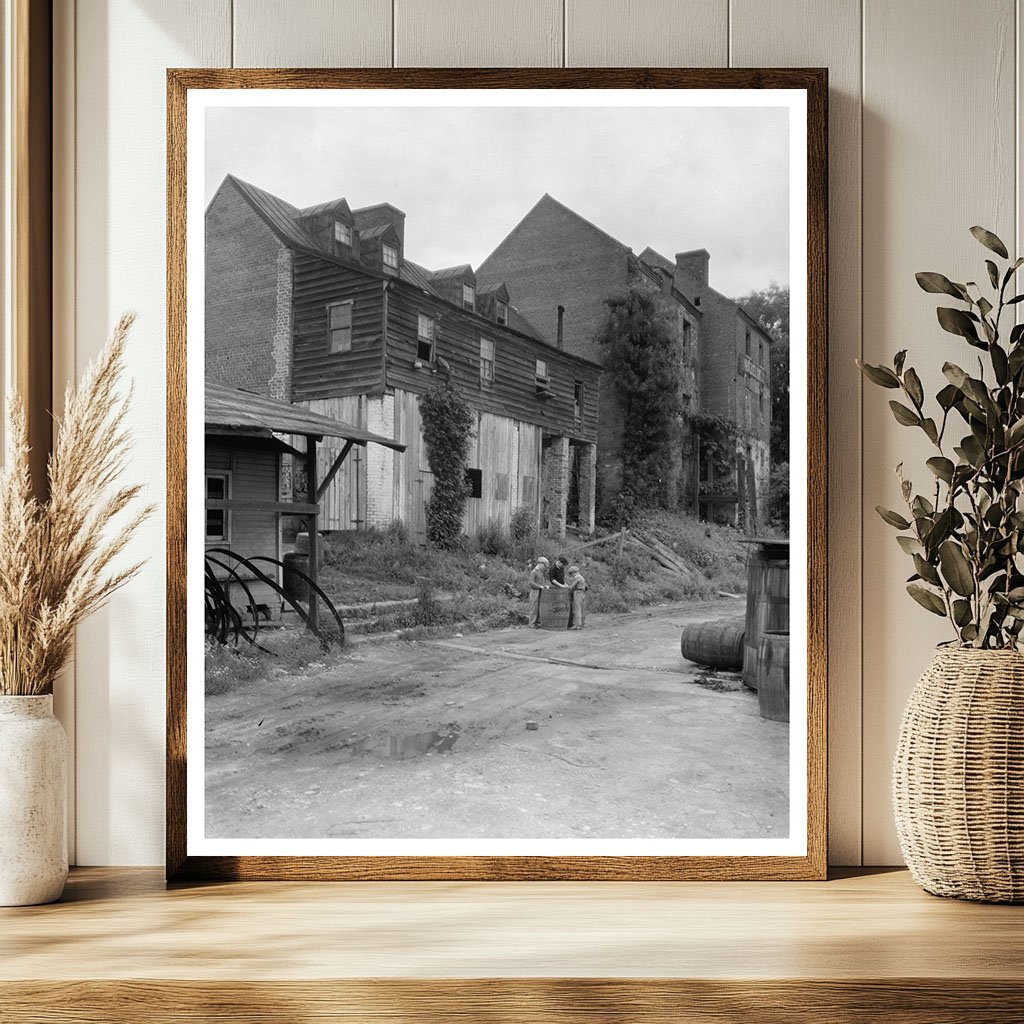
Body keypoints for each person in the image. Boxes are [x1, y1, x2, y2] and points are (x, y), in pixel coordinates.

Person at [527, 556, 550, 628]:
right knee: (534, 608)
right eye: (544, 566)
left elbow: (541, 583)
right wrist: (540, 586)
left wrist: (544, 586)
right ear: (540, 564)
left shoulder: (541, 572)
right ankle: (531, 624)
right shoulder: (534, 572)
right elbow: (531, 583)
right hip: (534, 592)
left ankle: (536, 623)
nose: (545, 568)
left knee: (538, 608)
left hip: (540, 592)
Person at [566, 564, 587, 629]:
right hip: (582, 592)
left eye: (571, 574)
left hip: (578, 592)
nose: (571, 575)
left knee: (576, 609)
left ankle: (577, 625)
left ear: (574, 572)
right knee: (581, 608)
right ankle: (582, 623)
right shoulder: (581, 577)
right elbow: (586, 587)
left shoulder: (576, 577)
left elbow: (571, 587)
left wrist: (566, 587)